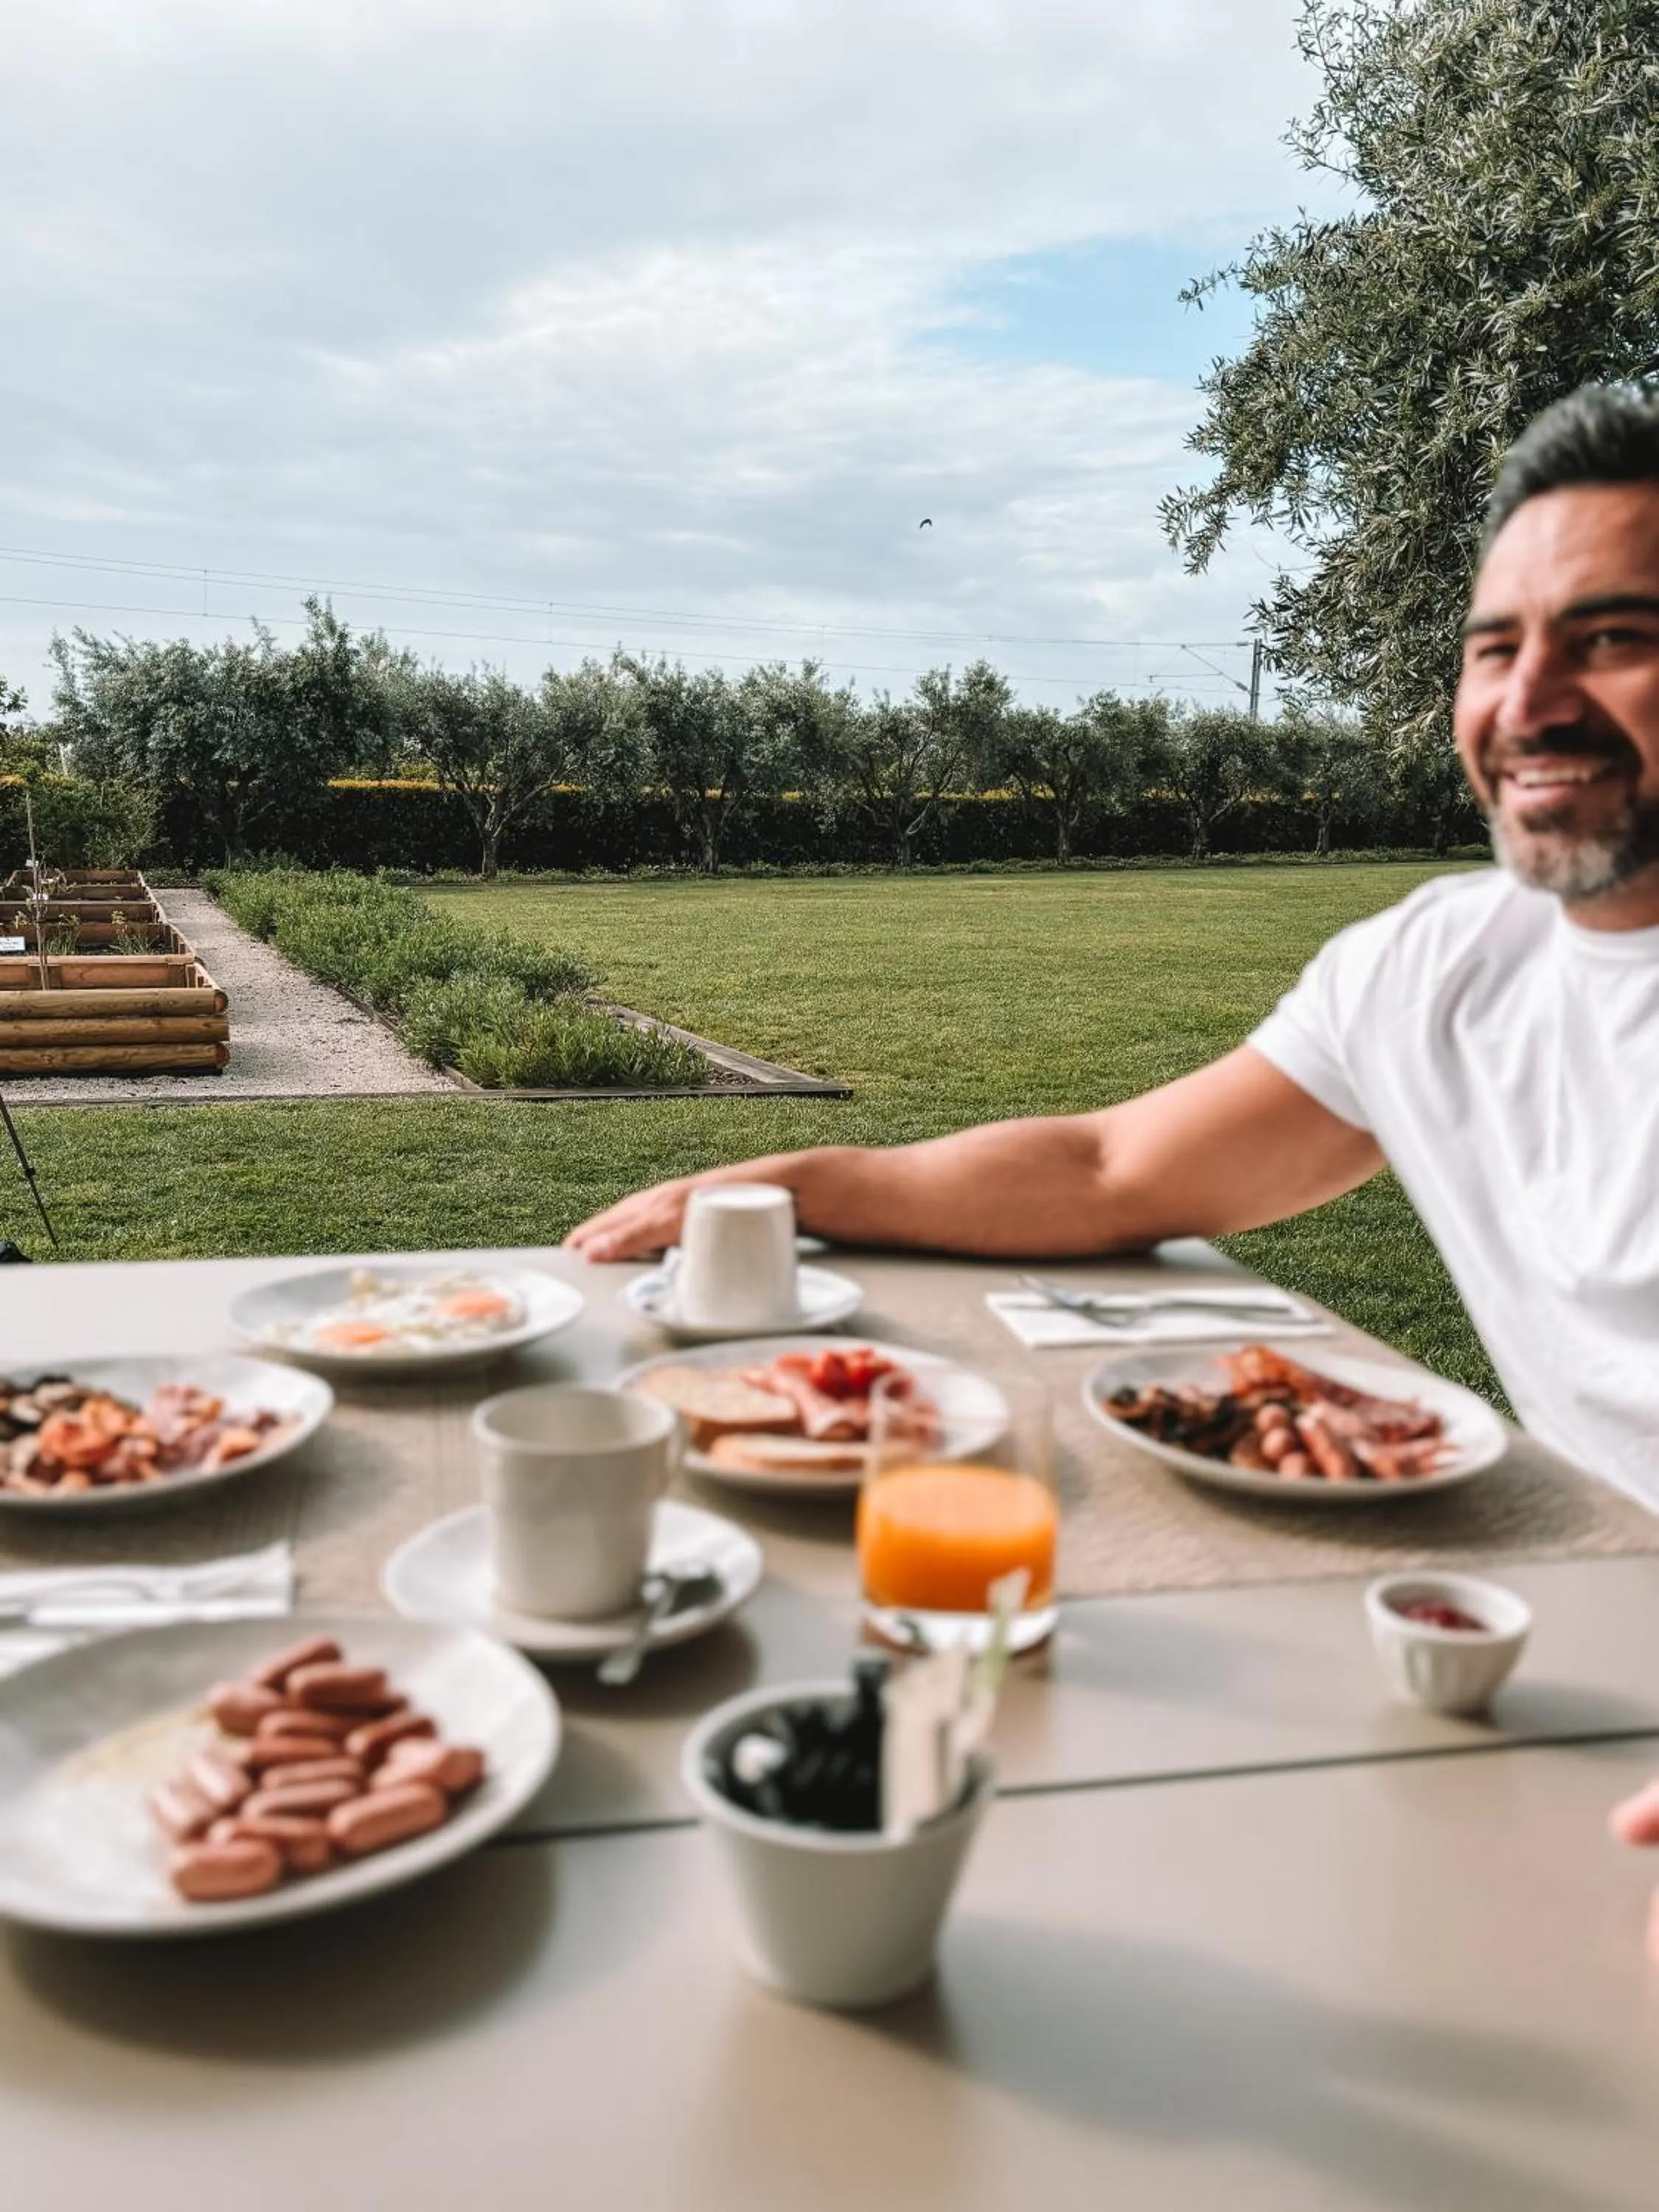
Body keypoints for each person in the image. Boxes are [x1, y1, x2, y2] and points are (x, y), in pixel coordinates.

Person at [568, 380, 1659, 1515]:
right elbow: (1107, 1170)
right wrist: (790, 1183)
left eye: (1613, 637)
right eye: (1495, 648)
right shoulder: (1432, 967)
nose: (1528, 701)